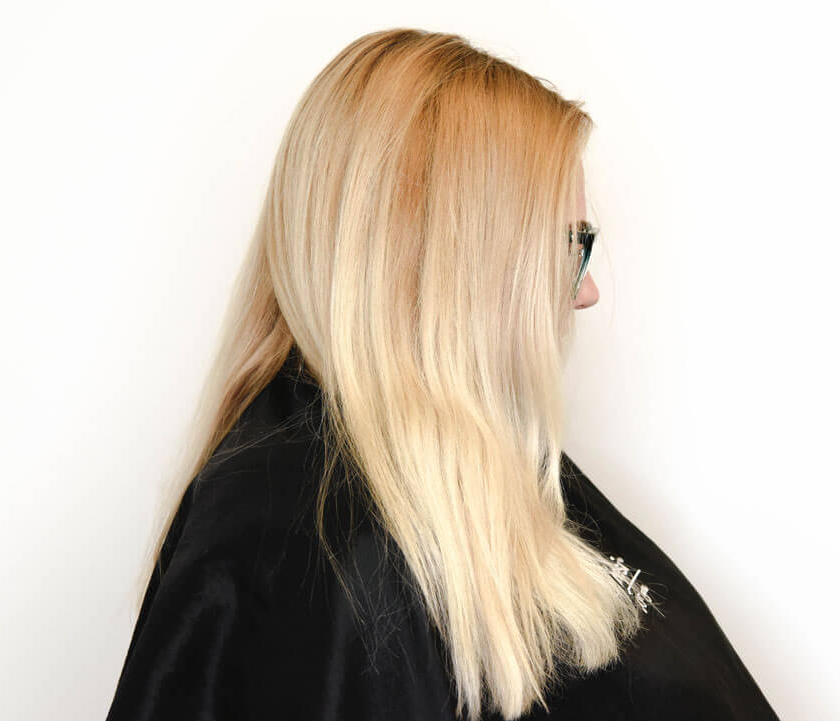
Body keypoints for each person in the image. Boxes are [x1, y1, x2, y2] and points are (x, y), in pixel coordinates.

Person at [104, 28, 781, 721]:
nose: (585, 292)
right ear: (454, 262)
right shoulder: (309, 549)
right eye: (568, 246)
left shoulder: (442, 472)